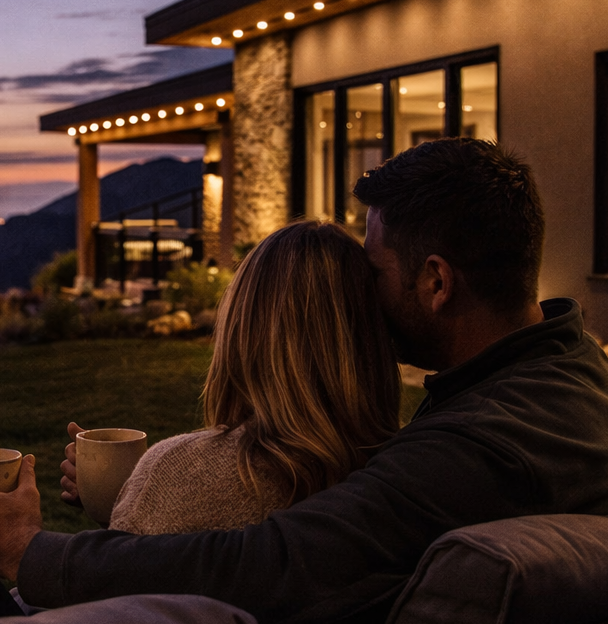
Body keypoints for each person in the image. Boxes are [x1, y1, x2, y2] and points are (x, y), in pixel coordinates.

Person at [0, 137, 608, 624]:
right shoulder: (585, 388)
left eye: (372, 273)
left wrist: (28, 552)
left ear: (436, 282)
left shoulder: (479, 450)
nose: (357, 299)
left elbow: (269, 566)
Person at [0, 219, 399, 624]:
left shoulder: (192, 467)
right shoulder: (385, 476)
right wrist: (115, 513)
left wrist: (22, 536)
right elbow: (171, 564)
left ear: (249, 331)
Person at [109, 220, 398, 534]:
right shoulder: (403, 478)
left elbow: (122, 572)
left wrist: (136, 496)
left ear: (243, 329)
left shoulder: (180, 474)